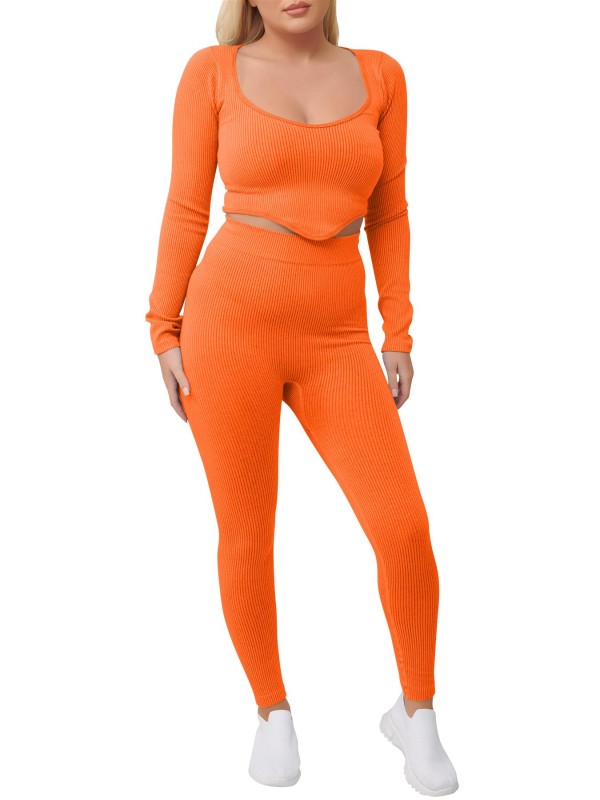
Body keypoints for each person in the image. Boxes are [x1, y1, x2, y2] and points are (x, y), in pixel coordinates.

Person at [145, 0, 459, 794]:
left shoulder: (382, 76)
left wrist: (398, 330)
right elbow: (186, 205)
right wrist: (162, 328)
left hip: (339, 338)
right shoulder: (211, 73)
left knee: (402, 526)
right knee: (248, 533)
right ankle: (271, 713)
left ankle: (416, 712)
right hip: (227, 327)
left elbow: (390, 209)